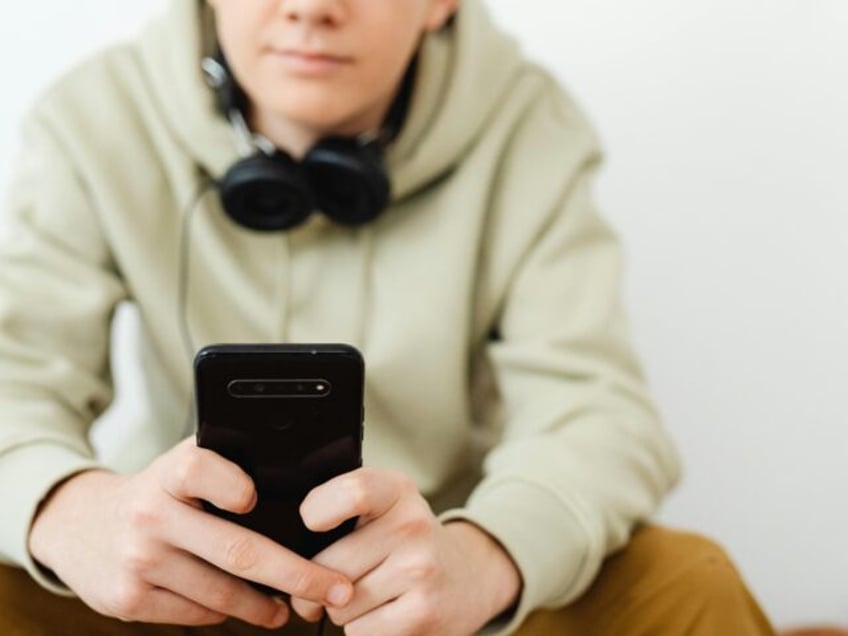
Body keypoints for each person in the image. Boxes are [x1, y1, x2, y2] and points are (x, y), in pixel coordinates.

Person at [0, 0, 776, 634]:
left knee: (689, 579)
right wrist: (66, 511)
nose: (310, 9)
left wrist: (486, 557)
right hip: (175, 593)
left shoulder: (529, 123)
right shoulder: (94, 114)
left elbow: (601, 412)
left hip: (430, 596)